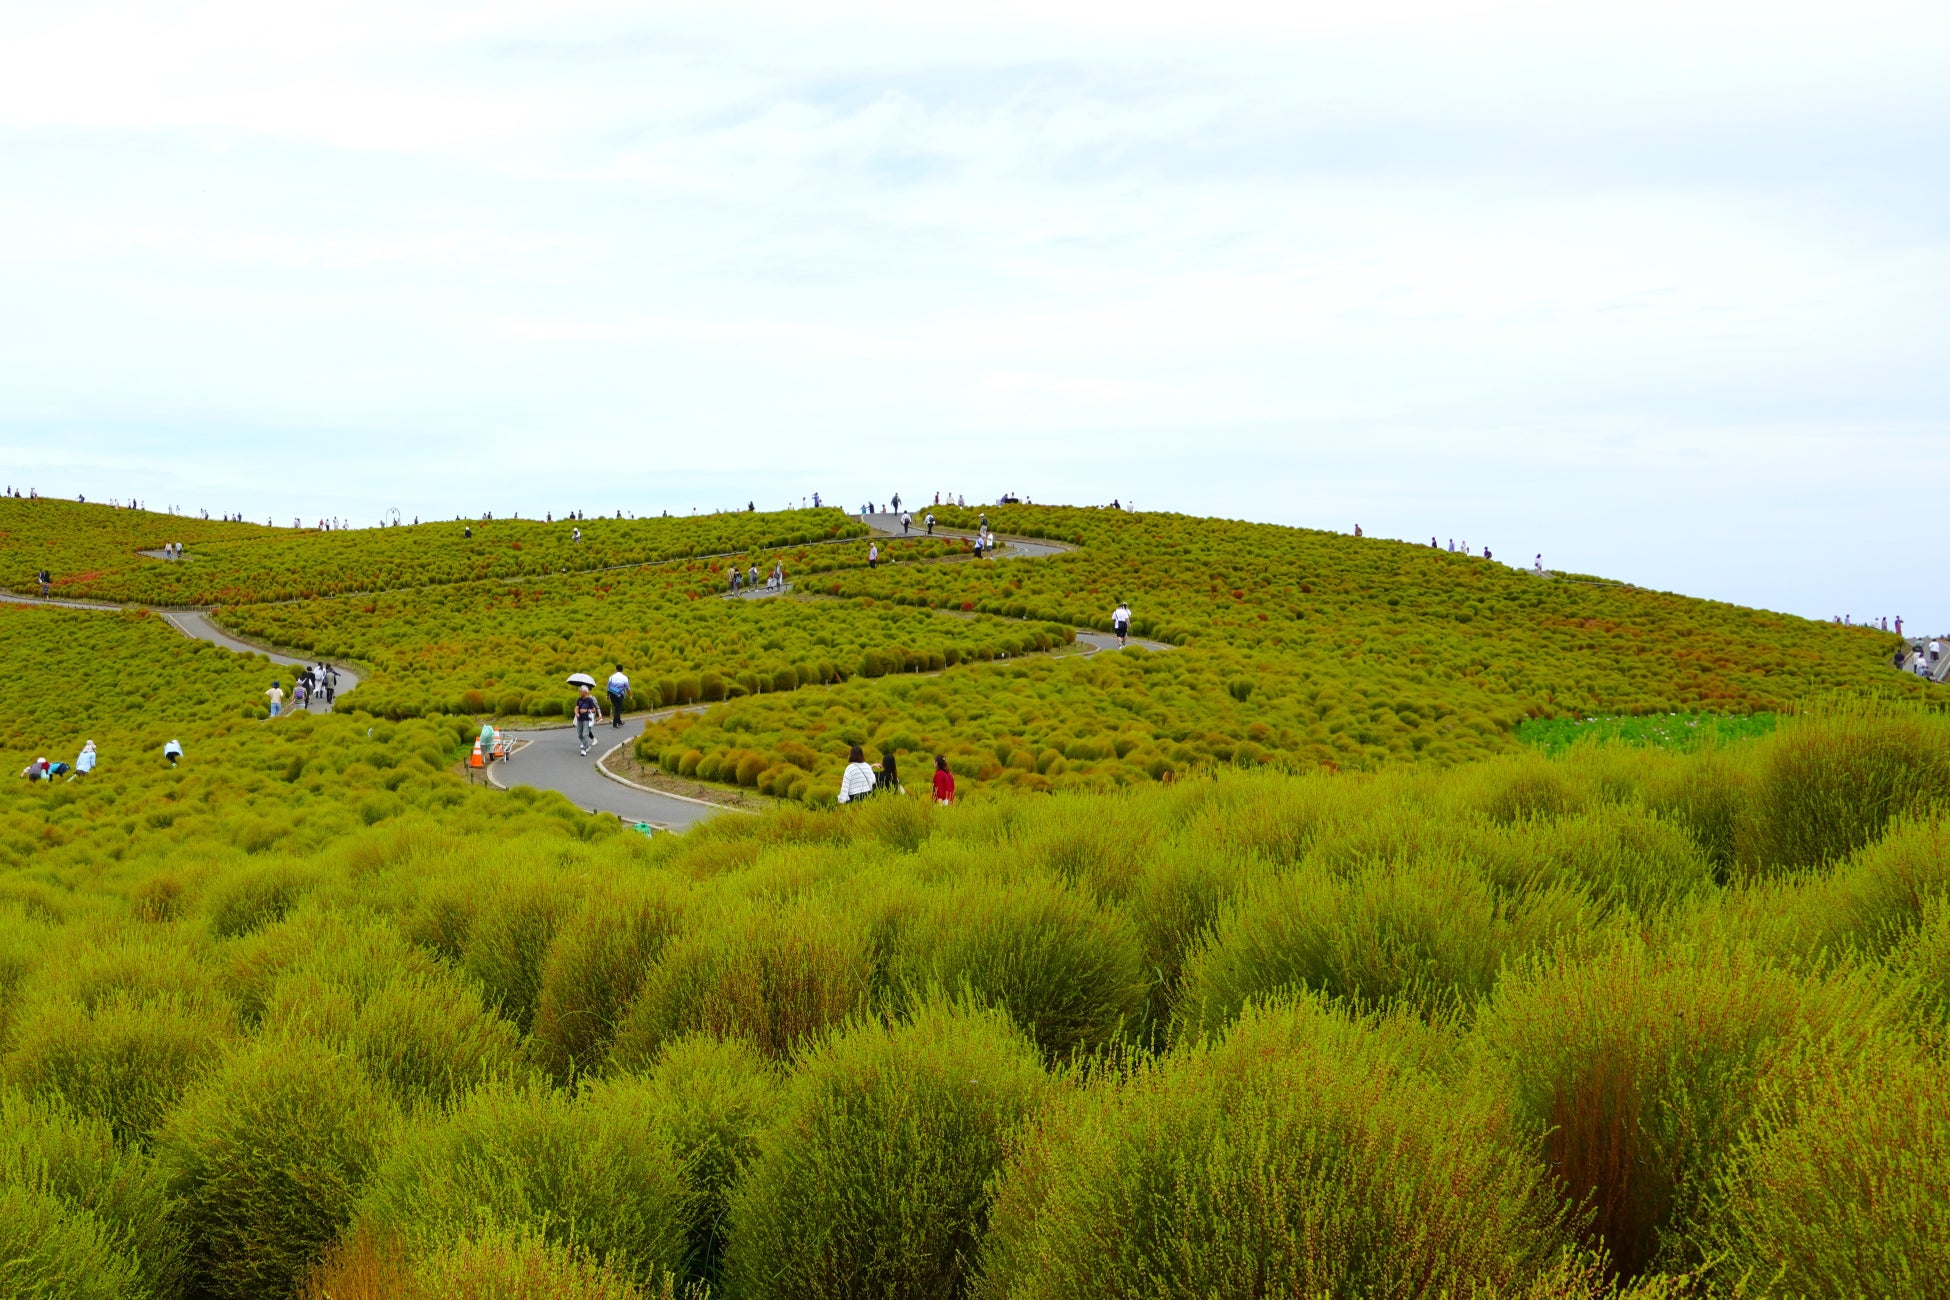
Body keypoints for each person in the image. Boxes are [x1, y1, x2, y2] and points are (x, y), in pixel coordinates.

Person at [573, 685, 602, 756]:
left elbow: (593, 709)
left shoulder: (590, 700)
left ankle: (584, 749)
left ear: (585, 692)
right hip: (579, 719)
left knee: (585, 734)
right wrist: (576, 713)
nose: (580, 692)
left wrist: (586, 710)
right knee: (580, 735)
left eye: (581, 690)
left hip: (587, 719)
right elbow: (576, 708)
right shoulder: (579, 699)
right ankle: (587, 746)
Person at [607, 664, 630, 728]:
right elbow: (627, 688)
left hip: (612, 694)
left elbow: (608, 687)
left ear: (616, 669)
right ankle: (615, 724)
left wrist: (607, 695)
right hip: (619, 695)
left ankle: (619, 722)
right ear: (622, 670)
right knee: (617, 709)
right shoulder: (624, 677)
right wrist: (630, 695)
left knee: (617, 708)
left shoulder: (611, 677)